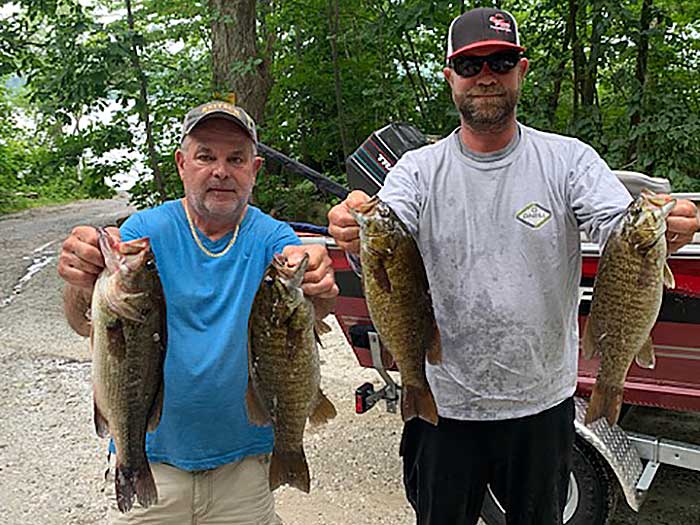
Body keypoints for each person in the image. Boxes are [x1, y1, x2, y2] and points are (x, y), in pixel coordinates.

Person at [328, 7, 699, 525]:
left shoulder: (569, 161)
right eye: (470, 65)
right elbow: (388, 230)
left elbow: (620, 227)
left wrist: (673, 224)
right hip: (444, 407)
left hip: (542, 409)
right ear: (449, 78)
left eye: (500, 62)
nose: (485, 76)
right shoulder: (418, 170)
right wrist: (352, 224)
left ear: (521, 70)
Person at [58, 100, 338, 524]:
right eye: (206, 156)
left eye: (236, 159)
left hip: (244, 468)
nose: (221, 170)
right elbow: (82, 321)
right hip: (152, 459)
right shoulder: (141, 235)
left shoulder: (272, 238)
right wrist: (81, 281)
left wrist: (319, 281)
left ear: (255, 169)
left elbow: (312, 299)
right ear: (182, 164)